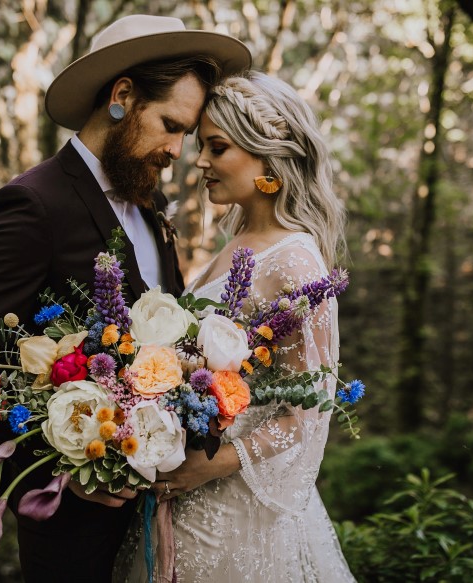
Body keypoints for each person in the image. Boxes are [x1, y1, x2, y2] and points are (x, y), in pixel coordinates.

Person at [0, 14, 251, 583]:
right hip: (72, 525)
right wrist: (62, 467)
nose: (178, 151)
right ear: (122, 97)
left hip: (159, 511)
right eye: (170, 126)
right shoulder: (33, 202)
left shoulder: (150, 209)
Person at [121, 71, 356, 582]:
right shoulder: (240, 240)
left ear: (268, 157)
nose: (199, 160)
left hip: (233, 509)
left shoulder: (294, 262)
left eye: (217, 147)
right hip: (184, 494)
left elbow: (307, 413)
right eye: (201, 145)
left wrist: (214, 463)